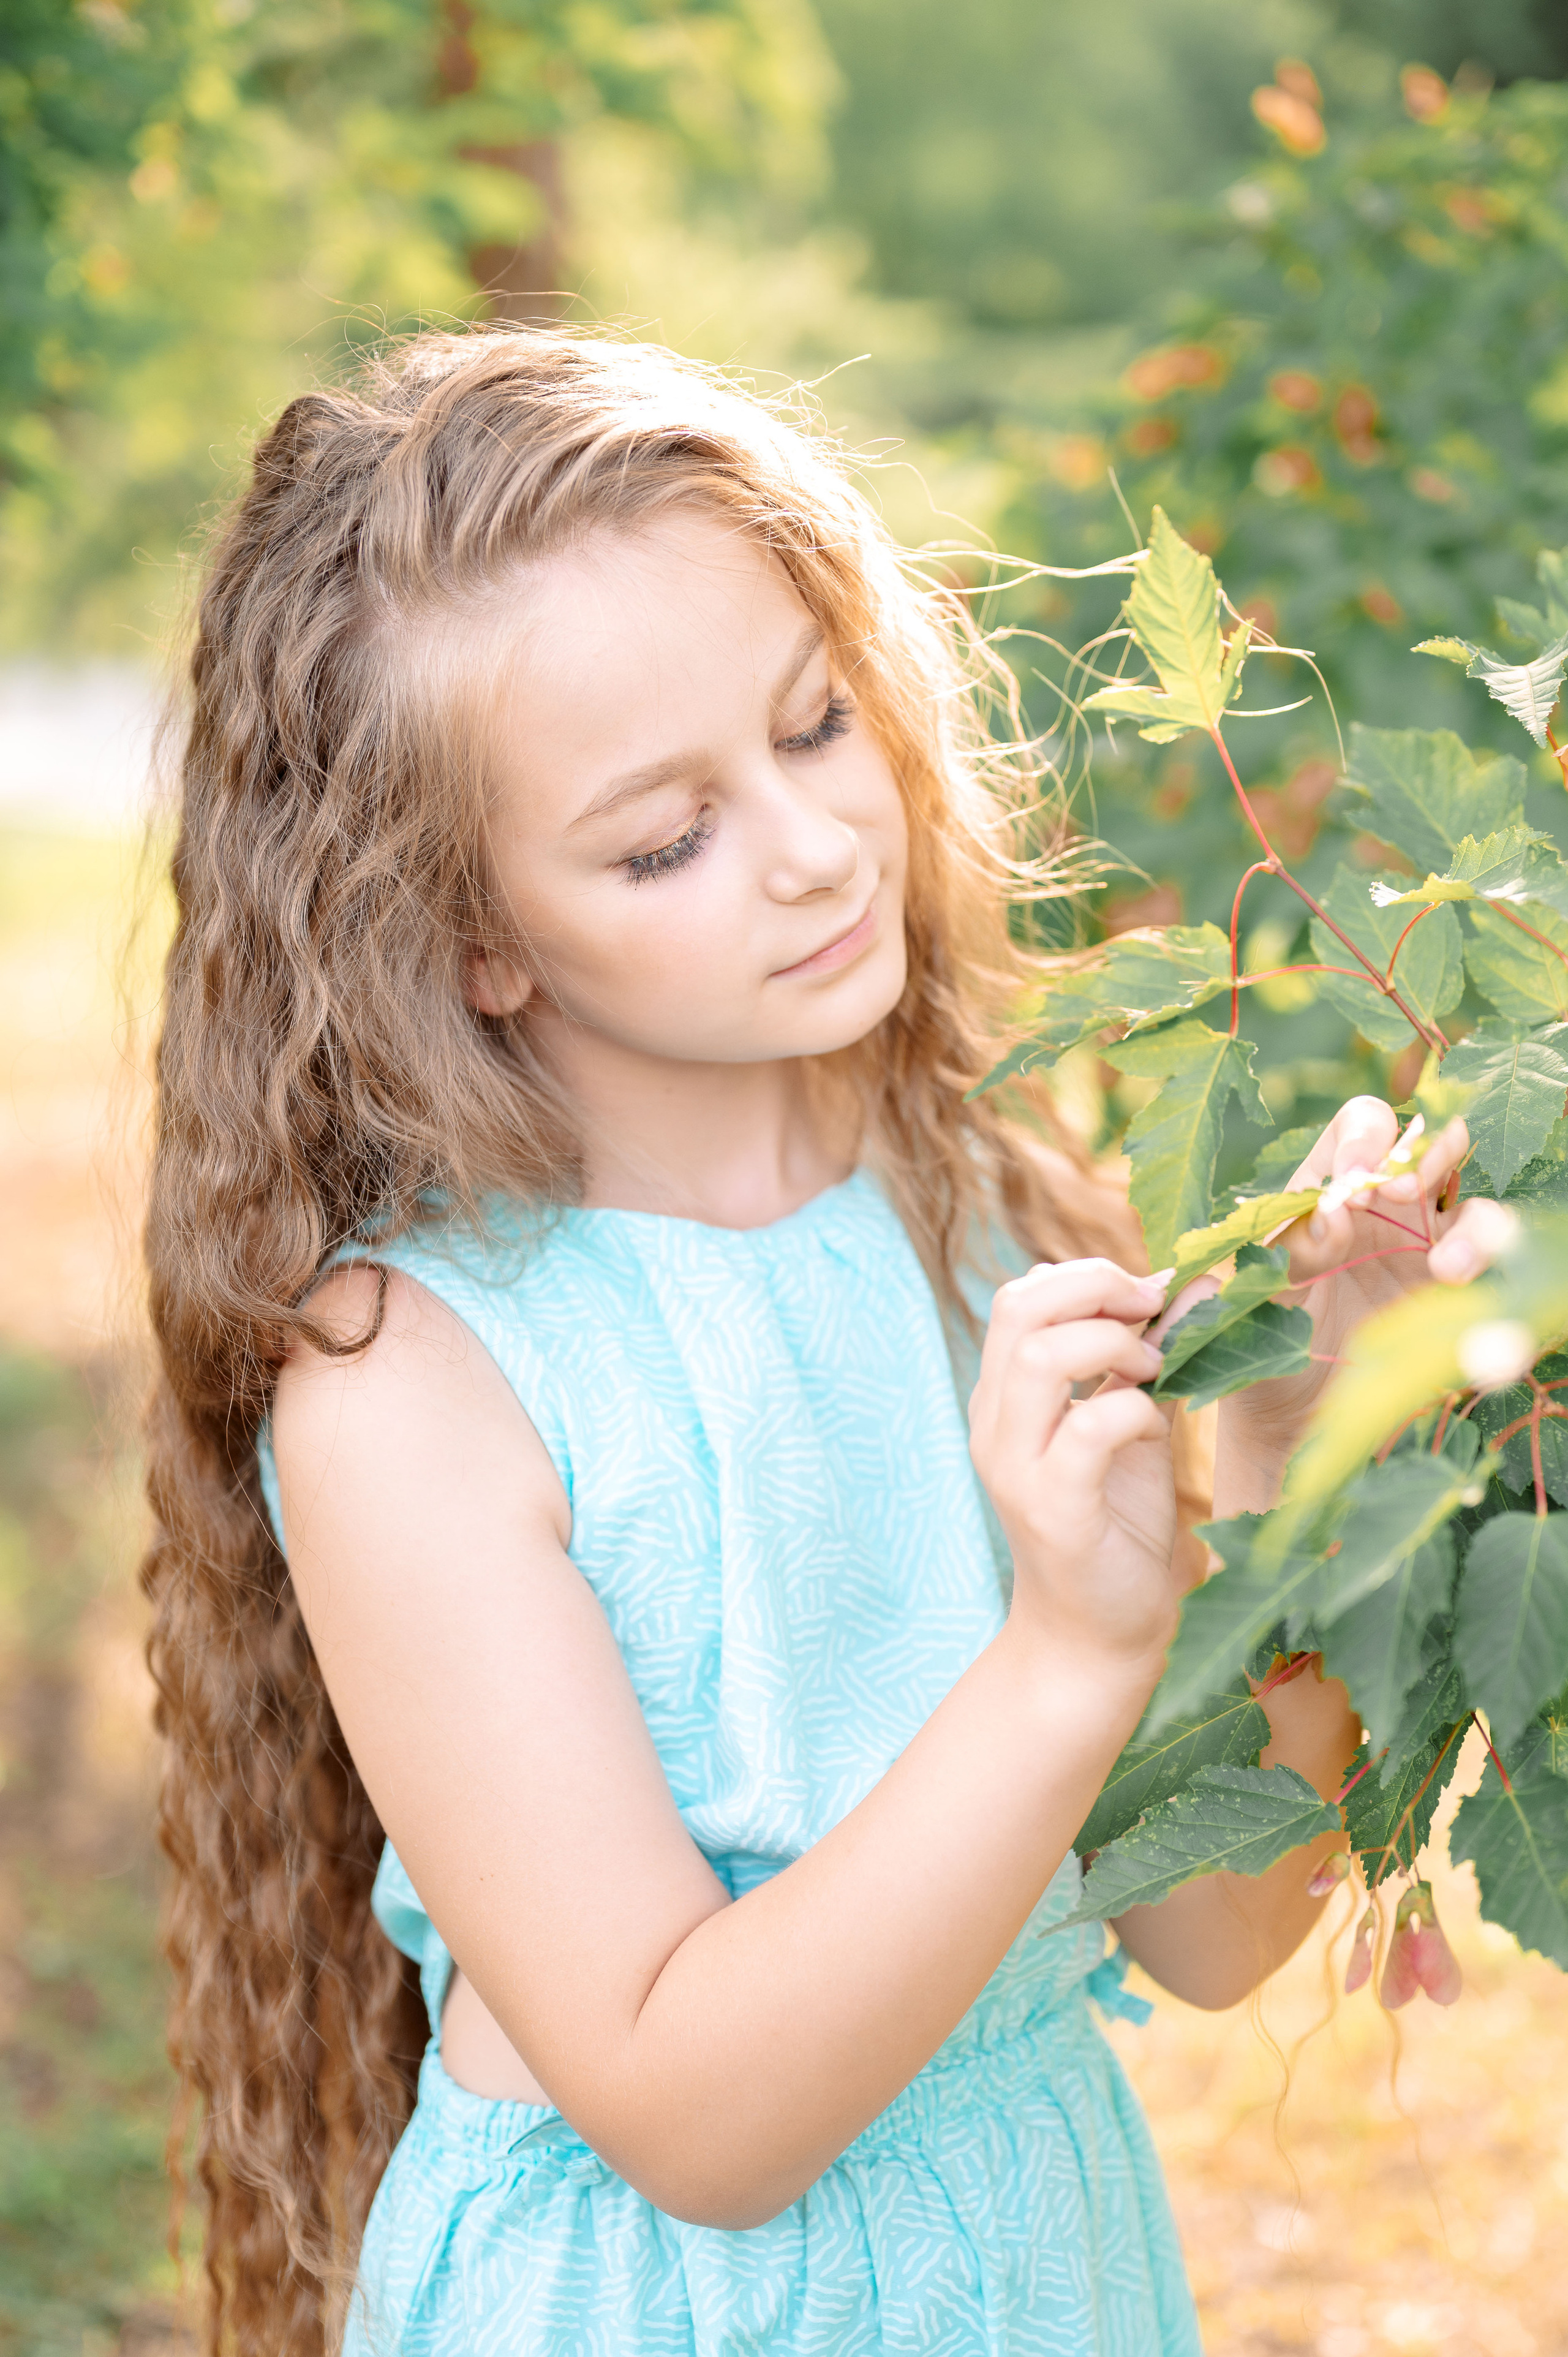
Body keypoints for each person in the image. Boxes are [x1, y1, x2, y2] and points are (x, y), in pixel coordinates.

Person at [141, 326, 1502, 2357]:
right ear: (470, 936)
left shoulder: (984, 1206)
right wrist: (1069, 1652)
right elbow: (701, 2120)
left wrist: (1324, 1445)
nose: (812, 845)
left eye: (815, 723)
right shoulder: (414, 1379)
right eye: (662, 842)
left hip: (1041, 2259)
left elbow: (1209, 1931)